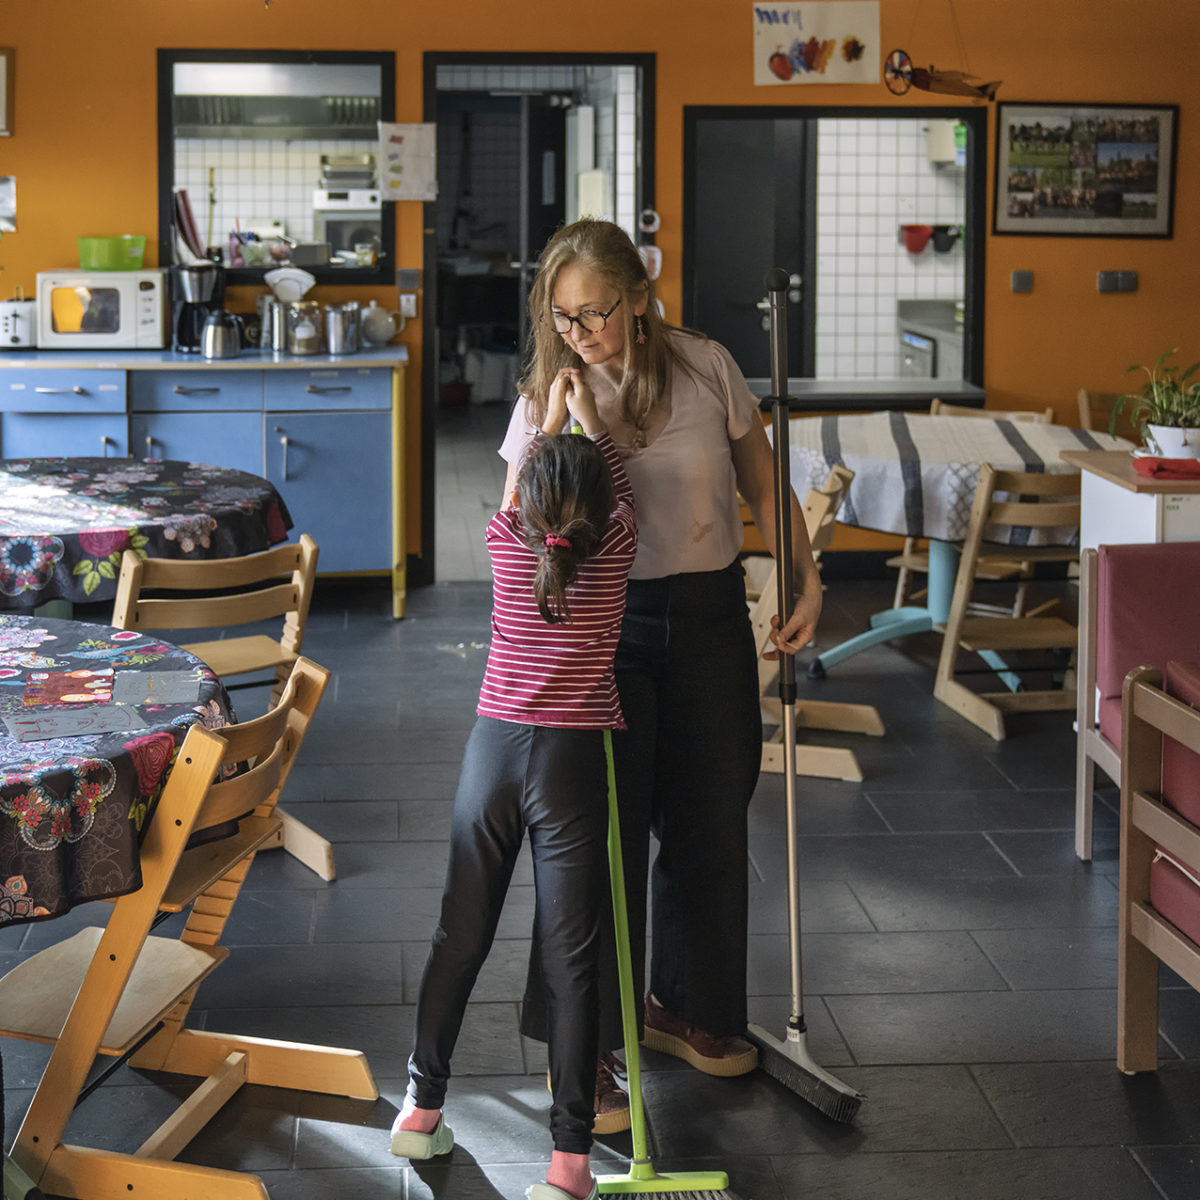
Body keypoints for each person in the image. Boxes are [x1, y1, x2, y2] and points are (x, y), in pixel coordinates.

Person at [503, 218, 822, 1128]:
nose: (580, 333)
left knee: (712, 814)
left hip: (713, 612)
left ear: (639, 297)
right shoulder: (545, 394)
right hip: (605, 631)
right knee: (597, 834)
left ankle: (686, 1007)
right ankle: (590, 1046)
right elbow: (514, 532)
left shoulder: (707, 365)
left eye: (595, 312)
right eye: (562, 318)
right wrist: (557, 432)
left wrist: (805, 571)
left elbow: (763, 483)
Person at [391, 370, 637, 1200]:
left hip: (490, 757)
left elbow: (513, 487)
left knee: (457, 937)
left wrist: (547, 418)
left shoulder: (504, 545)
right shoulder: (620, 550)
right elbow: (618, 491)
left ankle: (420, 1112)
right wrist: (593, 419)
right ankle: (569, 1162)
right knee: (573, 961)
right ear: (604, 512)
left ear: (527, 508)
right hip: (571, 766)